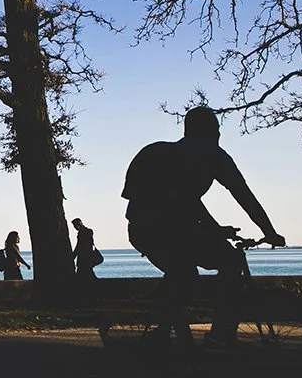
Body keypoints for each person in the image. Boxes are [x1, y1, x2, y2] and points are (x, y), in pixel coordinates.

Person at [122, 105, 285, 349]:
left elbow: (185, 202)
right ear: (212, 132)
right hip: (165, 229)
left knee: (183, 273)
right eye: (217, 130)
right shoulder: (213, 156)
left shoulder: (155, 152)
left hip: (144, 229)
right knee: (227, 262)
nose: (219, 136)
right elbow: (243, 196)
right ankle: (220, 336)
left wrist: (214, 228)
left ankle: (164, 330)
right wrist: (268, 232)